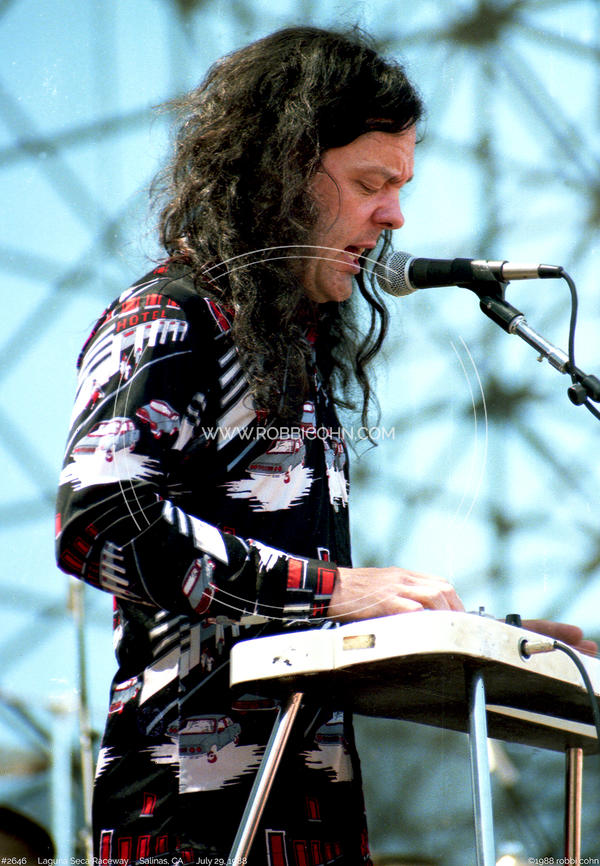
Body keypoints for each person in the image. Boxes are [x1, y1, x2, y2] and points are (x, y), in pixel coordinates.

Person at [55, 26, 595, 865]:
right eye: (371, 183)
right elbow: (98, 519)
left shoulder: (290, 352)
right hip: (191, 818)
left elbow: (295, 609)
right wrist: (336, 589)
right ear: (280, 172)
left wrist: (499, 639)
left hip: (310, 815)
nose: (395, 216)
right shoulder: (168, 315)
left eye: (401, 187)